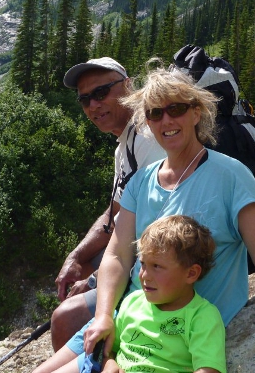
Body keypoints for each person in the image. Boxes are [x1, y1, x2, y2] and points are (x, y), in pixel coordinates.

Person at [34, 64, 255, 373]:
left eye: (176, 108)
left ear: (197, 112)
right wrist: (103, 315)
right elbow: (117, 254)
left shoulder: (231, 176)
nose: (166, 120)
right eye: (154, 113)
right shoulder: (141, 181)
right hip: (127, 318)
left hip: (174, 338)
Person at [52, 57, 166, 350]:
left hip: (162, 261)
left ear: (128, 86)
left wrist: (93, 280)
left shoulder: (147, 138)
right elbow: (115, 213)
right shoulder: (125, 144)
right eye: (85, 99)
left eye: (101, 93)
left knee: (64, 318)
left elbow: (151, 225)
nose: (93, 106)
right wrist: (76, 258)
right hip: (140, 253)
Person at [97, 215, 226, 373]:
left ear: (191, 273)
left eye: (156, 266)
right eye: (143, 264)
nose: (144, 275)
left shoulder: (203, 316)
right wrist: (109, 364)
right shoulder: (132, 302)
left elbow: (208, 369)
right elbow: (109, 350)